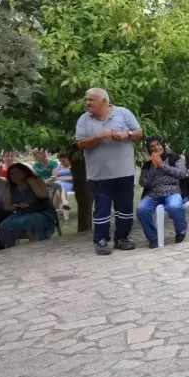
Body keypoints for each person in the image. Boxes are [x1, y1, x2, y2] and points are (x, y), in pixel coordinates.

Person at [75, 88, 143, 256]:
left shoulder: (123, 113)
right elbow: (81, 144)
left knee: (125, 208)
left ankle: (122, 238)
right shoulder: (84, 119)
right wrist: (98, 137)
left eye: (92, 99)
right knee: (102, 209)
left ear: (104, 101)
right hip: (99, 174)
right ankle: (101, 240)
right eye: (87, 99)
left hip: (124, 172)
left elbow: (139, 132)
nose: (88, 103)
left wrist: (125, 135)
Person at [138, 137, 189, 247]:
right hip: (153, 194)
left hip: (173, 191)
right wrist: (153, 167)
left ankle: (181, 230)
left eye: (158, 144)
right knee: (141, 209)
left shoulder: (174, 159)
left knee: (174, 206)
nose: (156, 148)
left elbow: (182, 174)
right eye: (152, 146)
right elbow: (143, 183)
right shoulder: (147, 165)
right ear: (149, 150)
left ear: (163, 145)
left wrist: (162, 166)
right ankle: (153, 238)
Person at [0, 162, 57, 248]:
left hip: (42, 212)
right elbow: (7, 206)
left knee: (32, 221)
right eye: (11, 174)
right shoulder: (10, 187)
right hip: (22, 213)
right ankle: (8, 250)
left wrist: (32, 183)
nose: (13, 175)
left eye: (17, 173)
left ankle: (40, 246)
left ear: (25, 173)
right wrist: (16, 206)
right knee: (4, 225)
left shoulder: (38, 181)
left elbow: (43, 195)